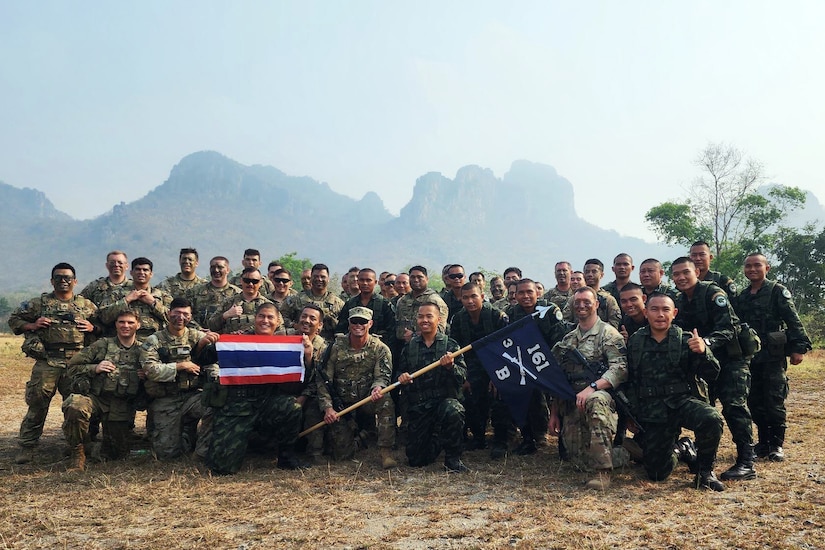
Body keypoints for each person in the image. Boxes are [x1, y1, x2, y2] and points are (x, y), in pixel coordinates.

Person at [626, 293, 726, 491]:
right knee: (657, 473)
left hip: (681, 402)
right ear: (646, 313)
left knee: (712, 418)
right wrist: (630, 413)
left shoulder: (686, 340)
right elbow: (629, 381)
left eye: (666, 310)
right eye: (654, 309)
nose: (660, 314)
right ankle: (682, 448)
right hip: (652, 409)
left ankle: (705, 473)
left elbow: (713, 373)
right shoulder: (635, 342)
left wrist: (704, 352)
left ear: (674, 313)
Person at [671, 257, 756, 481]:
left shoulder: (712, 293)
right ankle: (704, 457)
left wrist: (706, 343)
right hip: (705, 363)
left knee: (734, 407)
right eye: (676, 274)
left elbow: (729, 328)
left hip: (730, 360)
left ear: (697, 272)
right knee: (706, 408)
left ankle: (747, 461)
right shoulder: (680, 300)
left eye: (685, 272)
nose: (681, 277)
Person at [9, 263, 100, 465]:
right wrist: (32, 325)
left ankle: (77, 447)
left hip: (76, 362)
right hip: (47, 361)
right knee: (37, 403)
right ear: (52, 281)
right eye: (58, 277)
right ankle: (27, 445)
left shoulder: (86, 305)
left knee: (76, 405)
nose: (63, 281)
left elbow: (103, 326)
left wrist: (93, 327)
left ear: (75, 281)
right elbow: (14, 319)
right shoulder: (39, 304)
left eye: (68, 277)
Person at [207, 302, 307, 474]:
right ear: (255, 318)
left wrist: (309, 354)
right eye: (261, 316)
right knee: (222, 468)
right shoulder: (237, 340)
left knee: (292, 407)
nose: (265, 321)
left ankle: (286, 456)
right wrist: (204, 343)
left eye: (270, 317)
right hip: (237, 405)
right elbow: (205, 357)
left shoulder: (283, 344)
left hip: (267, 402)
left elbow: (302, 377)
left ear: (278, 322)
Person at [736, 253, 812, 461]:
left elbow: (792, 320)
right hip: (751, 357)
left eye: (757, 265)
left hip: (773, 355)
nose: (752, 269)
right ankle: (763, 442)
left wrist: (798, 348)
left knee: (774, 400)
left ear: (767, 268)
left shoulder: (777, 291)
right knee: (754, 400)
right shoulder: (743, 296)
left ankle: (776, 445)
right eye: (748, 266)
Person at [551, 286, 627, 490]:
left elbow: (620, 368)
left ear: (596, 304)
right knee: (577, 461)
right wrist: (554, 413)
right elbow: (560, 379)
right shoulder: (568, 340)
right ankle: (626, 450)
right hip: (573, 402)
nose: (582, 305)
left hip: (602, 398)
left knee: (597, 399)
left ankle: (603, 472)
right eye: (577, 303)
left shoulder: (608, 334)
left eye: (586, 301)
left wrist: (593, 387)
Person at [62, 309, 144, 470]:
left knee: (116, 454)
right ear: (116, 324)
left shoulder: (144, 350)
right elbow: (71, 367)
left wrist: (146, 375)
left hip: (121, 405)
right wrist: (95, 368)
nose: (125, 326)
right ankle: (77, 452)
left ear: (138, 325)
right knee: (75, 406)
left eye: (130, 322)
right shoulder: (103, 345)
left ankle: (91, 447)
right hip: (96, 398)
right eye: (121, 322)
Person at [140, 297, 220, 459]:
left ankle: (202, 452)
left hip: (192, 396)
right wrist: (180, 366)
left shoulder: (198, 337)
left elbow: (212, 363)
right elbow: (150, 370)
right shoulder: (154, 340)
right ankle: (185, 434)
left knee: (215, 406)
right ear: (169, 314)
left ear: (190, 317)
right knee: (167, 455)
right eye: (176, 313)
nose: (180, 318)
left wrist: (213, 378)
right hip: (166, 399)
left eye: (185, 314)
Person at [318, 307, 397, 468]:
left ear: (370, 324)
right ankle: (363, 435)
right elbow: (324, 380)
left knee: (386, 401)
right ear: (349, 324)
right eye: (354, 321)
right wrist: (328, 408)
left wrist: (378, 388)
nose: (358, 325)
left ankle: (385, 452)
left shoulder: (380, 349)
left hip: (367, 399)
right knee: (342, 455)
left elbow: (382, 376)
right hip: (343, 404)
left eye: (363, 322)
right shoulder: (335, 348)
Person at [398, 302, 468, 472]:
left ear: (439, 319)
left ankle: (453, 458)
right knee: (416, 460)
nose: (425, 320)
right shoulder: (409, 347)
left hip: (443, 402)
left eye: (429, 316)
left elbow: (462, 377)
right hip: (420, 406)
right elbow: (399, 374)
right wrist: (403, 378)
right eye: (421, 316)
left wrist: (451, 366)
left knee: (454, 410)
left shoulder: (450, 346)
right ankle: (437, 438)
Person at [506, 279, 567, 455]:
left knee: (561, 393)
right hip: (524, 365)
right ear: (515, 295)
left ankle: (563, 438)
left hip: (551, 362)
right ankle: (528, 437)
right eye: (521, 293)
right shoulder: (511, 313)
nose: (526, 296)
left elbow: (559, 342)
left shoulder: (550, 311)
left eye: (529, 292)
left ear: (537, 293)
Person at [449, 282, 510, 458]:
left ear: (482, 297)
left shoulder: (497, 316)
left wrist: (497, 375)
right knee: (470, 395)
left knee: (499, 396)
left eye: (474, 296)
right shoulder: (459, 319)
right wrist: (464, 377)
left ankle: (500, 440)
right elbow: (455, 348)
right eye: (465, 297)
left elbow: (507, 347)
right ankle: (478, 437)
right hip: (472, 366)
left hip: (498, 364)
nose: (470, 301)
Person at [98, 257, 171, 338]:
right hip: (123, 342)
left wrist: (153, 303)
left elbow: (174, 319)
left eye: (145, 270)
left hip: (154, 341)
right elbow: (104, 317)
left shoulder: (162, 296)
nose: (141, 272)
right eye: (138, 269)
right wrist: (126, 300)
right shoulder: (116, 293)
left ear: (151, 274)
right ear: (131, 272)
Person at [280, 263, 345, 340]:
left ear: (328, 279)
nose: (319, 279)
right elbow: (281, 318)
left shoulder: (338, 303)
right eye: (316, 276)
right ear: (311, 278)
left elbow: (344, 327)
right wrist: (295, 325)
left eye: (322, 277)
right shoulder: (295, 299)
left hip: (328, 346)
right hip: (301, 342)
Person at [336, 268, 396, 342]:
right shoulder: (350, 304)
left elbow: (391, 331)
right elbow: (341, 328)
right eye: (362, 280)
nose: (365, 283)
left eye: (368, 280)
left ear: (375, 282)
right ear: (358, 282)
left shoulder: (384, 304)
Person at [394, 266, 449, 345]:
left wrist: (414, 336)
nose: (416, 280)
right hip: (403, 347)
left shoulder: (435, 301)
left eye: (420, 277)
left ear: (427, 279)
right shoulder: (402, 300)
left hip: (426, 346)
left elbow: (440, 330)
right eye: (412, 277)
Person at [208, 267, 273, 334]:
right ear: (241, 281)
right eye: (247, 280)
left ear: (260, 283)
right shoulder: (229, 302)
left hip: (258, 343)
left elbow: (279, 329)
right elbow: (211, 326)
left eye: (254, 281)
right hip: (232, 343)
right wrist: (226, 315)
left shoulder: (268, 305)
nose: (250, 284)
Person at [562, 259, 622, 328]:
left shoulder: (609, 300)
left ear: (601, 275)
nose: (590, 274)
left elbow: (615, 322)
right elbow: (565, 321)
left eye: (594, 272)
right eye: (587, 272)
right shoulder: (575, 298)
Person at [189, 256, 241, 329]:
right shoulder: (195, 291)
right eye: (213, 267)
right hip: (199, 335)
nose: (216, 270)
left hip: (226, 337)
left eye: (220, 267)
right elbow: (186, 314)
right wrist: (200, 330)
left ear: (228, 270)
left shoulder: (237, 293)